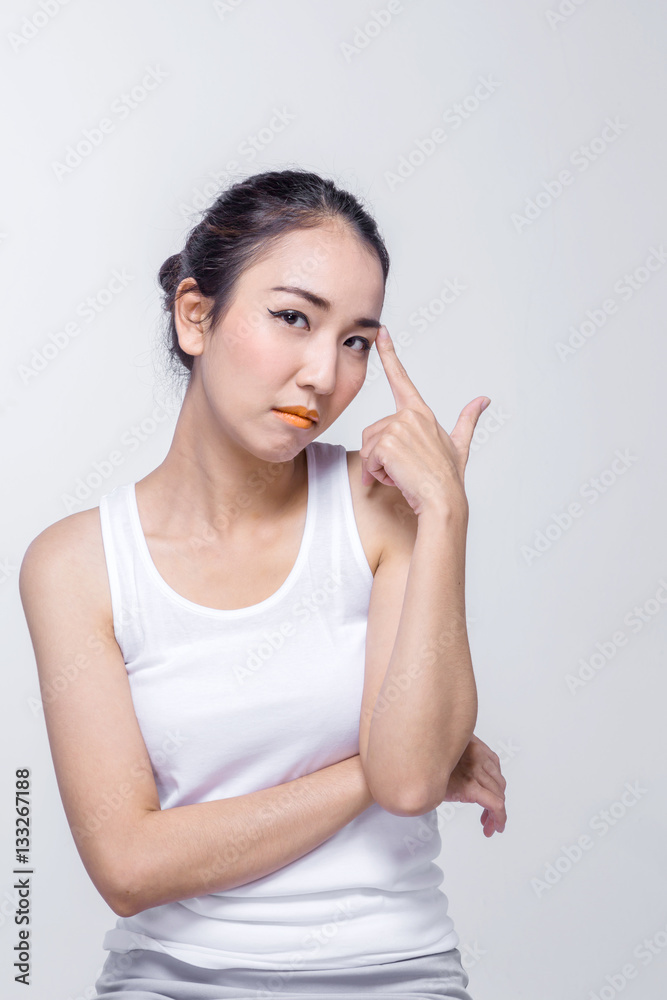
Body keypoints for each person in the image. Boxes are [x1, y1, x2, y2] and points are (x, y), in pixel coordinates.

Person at [19, 168, 507, 999]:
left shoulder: (384, 508)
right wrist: (384, 764)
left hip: (393, 974)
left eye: (355, 340)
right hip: (167, 980)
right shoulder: (75, 565)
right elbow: (129, 866)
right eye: (292, 318)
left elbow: (408, 781)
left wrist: (445, 515)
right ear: (195, 315)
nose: (324, 375)